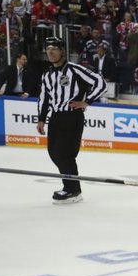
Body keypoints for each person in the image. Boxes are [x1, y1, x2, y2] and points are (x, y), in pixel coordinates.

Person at [35, 37, 107, 204]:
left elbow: (100, 83)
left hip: (71, 116)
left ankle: (73, 190)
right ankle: (71, 187)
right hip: (55, 117)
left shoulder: (75, 69)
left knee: (64, 153)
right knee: (54, 153)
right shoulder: (47, 75)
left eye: (54, 48)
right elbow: (44, 98)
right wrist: (41, 119)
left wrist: (87, 101)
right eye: (48, 49)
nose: (50, 51)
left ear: (62, 51)